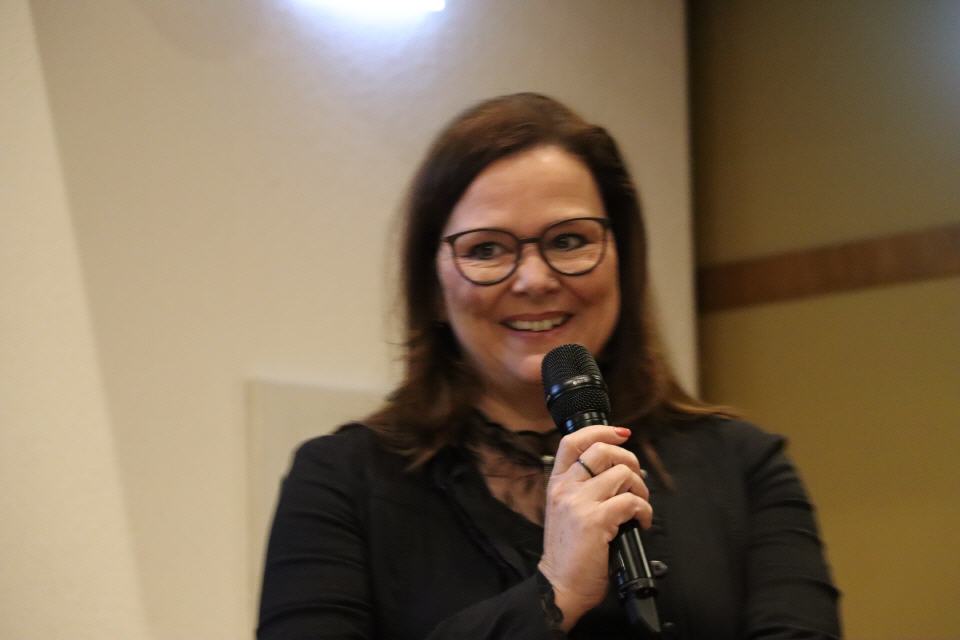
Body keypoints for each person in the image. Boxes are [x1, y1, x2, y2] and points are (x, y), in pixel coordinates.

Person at [257, 93, 841, 639]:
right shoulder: (341, 481)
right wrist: (553, 592)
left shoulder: (744, 467)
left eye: (567, 241)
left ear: (622, 261)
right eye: (487, 249)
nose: (534, 280)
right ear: (432, 286)